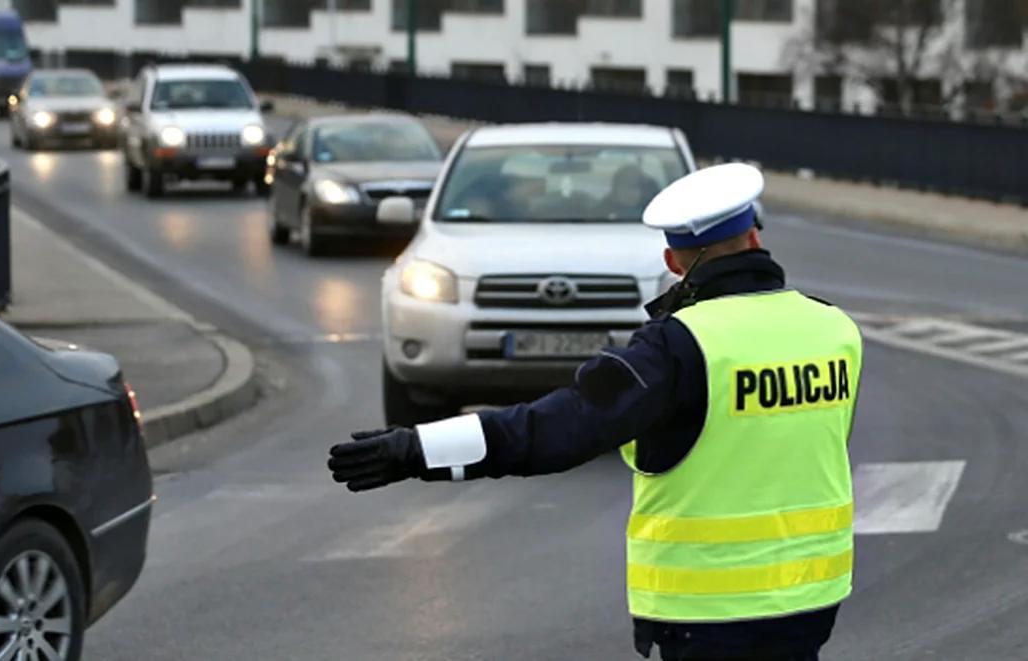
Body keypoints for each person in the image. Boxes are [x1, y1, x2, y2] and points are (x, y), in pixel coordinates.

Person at [327, 163, 863, 661]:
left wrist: (415, 449)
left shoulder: (675, 347)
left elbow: (554, 429)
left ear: (674, 262)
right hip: (812, 597)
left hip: (711, 609)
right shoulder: (834, 329)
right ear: (755, 236)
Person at [592, 162, 662, 220]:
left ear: (642, 190)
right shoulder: (601, 213)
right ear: (616, 189)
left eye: (634, 187)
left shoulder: (656, 214)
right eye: (625, 186)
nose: (630, 193)